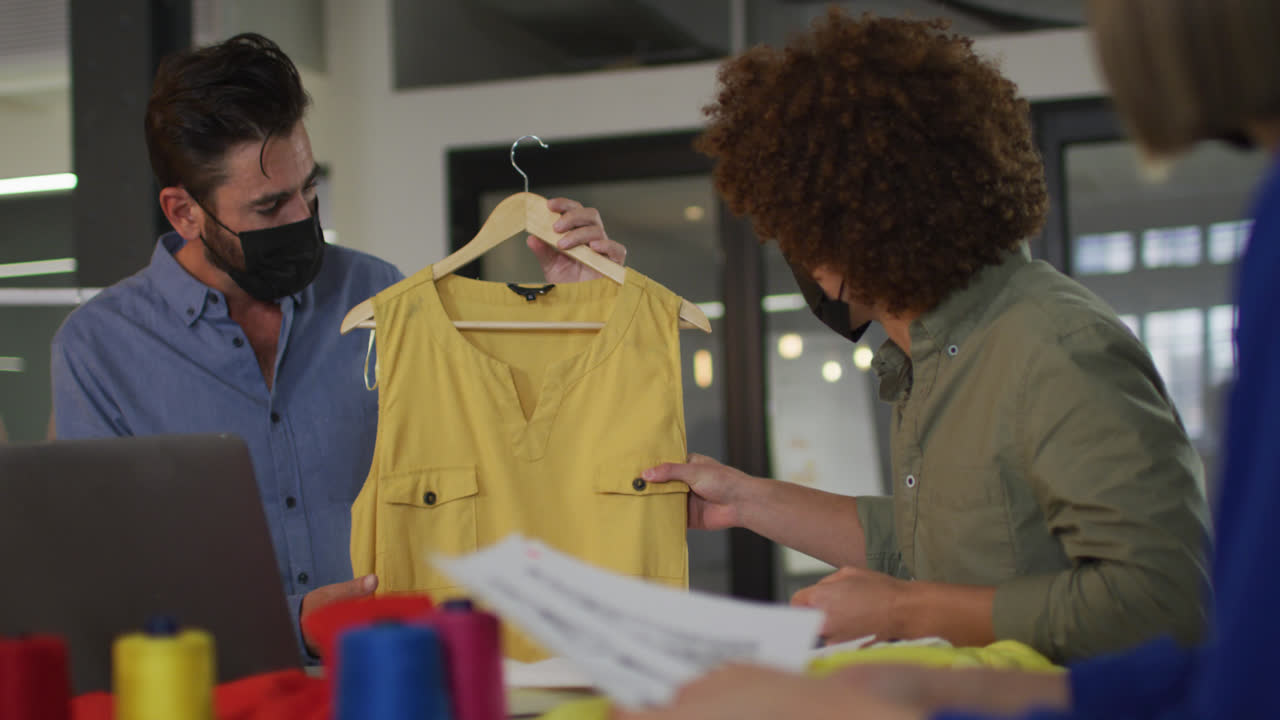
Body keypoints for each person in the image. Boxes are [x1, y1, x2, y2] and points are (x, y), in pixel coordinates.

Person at [626, 1, 1280, 717]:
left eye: (791, 232)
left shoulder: (1053, 347)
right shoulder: (935, 357)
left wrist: (906, 612)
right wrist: (747, 500)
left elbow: (1161, 607)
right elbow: (930, 545)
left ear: (842, 241)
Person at [50, 33, 626, 654]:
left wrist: (582, 311)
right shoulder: (100, 352)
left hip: (392, 676)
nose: (301, 218)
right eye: (270, 207)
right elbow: (105, 581)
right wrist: (293, 622)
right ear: (184, 212)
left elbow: (509, 454)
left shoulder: (378, 294)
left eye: (310, 189)